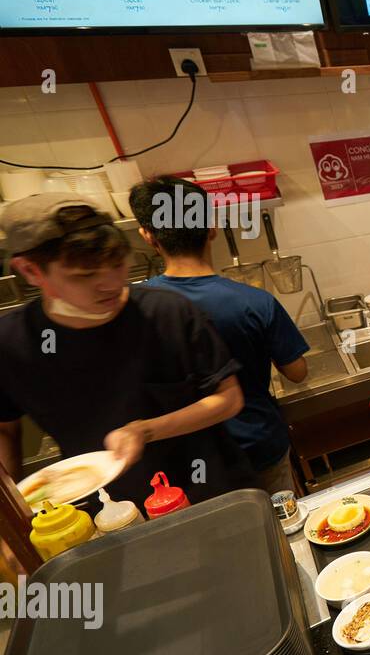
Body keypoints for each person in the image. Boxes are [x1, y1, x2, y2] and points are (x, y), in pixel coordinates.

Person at [0, 194, 253, 509]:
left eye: (118, 264)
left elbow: (229, 398)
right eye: (85, 276)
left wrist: (146, 430)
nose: (110, 284)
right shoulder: (11, 342)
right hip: (95, 511)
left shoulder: (166, 313)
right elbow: (5, 430)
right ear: (30, 271)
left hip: (206, 495)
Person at [129, 178, 310, 496]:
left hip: (181, 459)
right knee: (279, 531)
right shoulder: (254, 301)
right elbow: (297, 372)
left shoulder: (134, 306)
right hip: (257, 446)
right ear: (211, 227)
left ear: (147, 235)